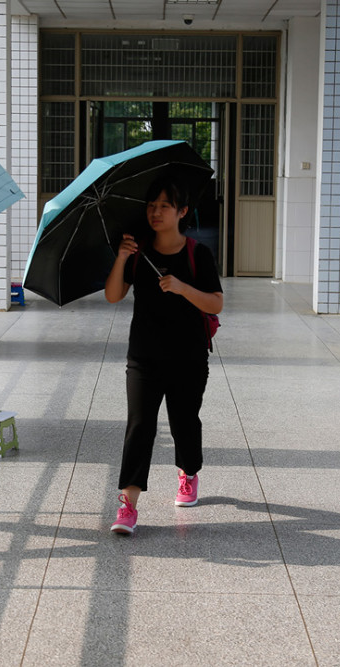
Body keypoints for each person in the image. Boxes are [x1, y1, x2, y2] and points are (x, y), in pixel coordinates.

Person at [103, 175, 223, 536]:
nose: (155, 212)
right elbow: (113, 295)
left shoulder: (197, 254)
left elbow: (216, 302)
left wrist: (183, 288)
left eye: (164, 206)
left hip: (188, 356)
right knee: (140, 425)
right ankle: (128, 505)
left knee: (185, 421)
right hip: (144, 355)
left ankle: (188, 473)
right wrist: (122, 258)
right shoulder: (137, 251)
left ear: (181, 211)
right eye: (151, 205)